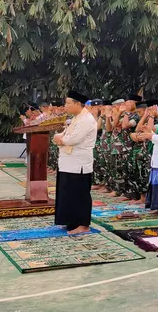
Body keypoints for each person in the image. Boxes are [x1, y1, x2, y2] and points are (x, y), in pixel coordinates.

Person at [53, 90, 98, 235]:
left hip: (79, 164)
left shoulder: (86, 119)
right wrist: (60, 137)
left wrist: (60, 139)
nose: (65, 106)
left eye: (68, 103)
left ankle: (83, 225)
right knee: (68, 193)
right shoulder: (77, 118)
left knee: (80, 195)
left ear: (78, 104)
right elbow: (65, 134)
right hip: (68, 163)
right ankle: (71, 221)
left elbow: (73, 139)